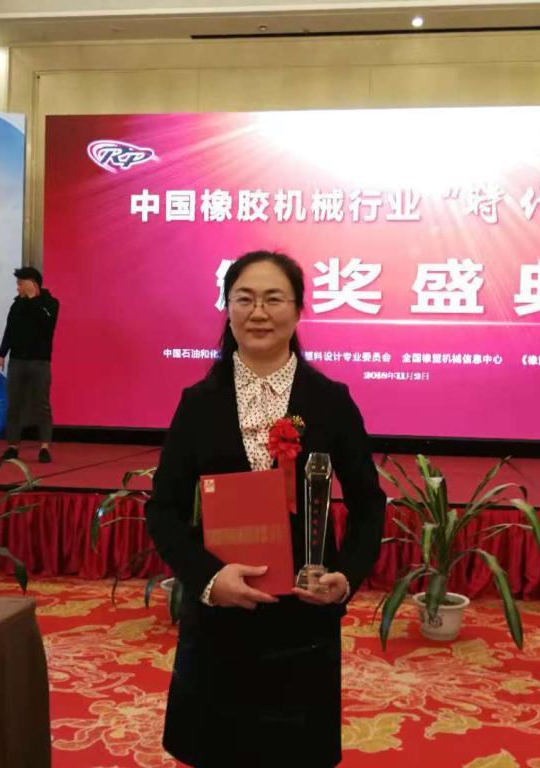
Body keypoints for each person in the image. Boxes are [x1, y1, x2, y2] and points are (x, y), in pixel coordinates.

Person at [146, 250, 386, 768]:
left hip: (303, 620)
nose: (258, 312)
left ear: (298, 310)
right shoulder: (198, 403)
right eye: (245, 299)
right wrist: (209, 579)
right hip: (219, 621)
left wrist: (345, 577)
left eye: (274, 299)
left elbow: (369, 503)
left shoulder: (330, 401)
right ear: (228, 308)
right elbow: (163, 509)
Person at [0, 266, 60, 463]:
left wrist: (33, 299)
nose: (18, 288)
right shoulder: (16, 305)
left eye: (21, 284)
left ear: (32, 284)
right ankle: (12, 446)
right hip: (17, 361)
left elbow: (48, 326)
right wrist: (1, 354)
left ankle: (44, 447)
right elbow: (9, 331)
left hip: (40, 362)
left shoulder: (50, 303)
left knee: (42, 405)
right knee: (14, 404)